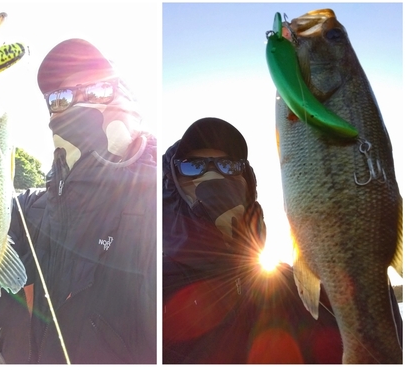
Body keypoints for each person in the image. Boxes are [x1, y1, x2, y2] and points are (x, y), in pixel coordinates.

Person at [0, 38, 157, 364]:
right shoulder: (27, 214)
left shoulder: (164, 216)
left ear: (129, 101)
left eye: (99, 91)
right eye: (60, 98)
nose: (76, 105)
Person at [162, 117, 402, 364]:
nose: (213, 173)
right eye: (192, 166)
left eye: (228, 165)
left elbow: (380, 342)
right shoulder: (153, 290)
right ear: (170, 191)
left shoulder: (298, 286)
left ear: (248, 185)